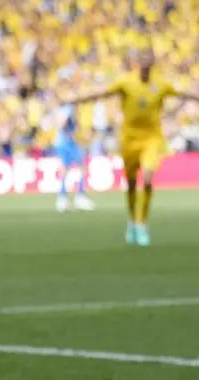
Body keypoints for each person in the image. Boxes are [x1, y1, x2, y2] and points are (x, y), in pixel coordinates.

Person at [70, 50, 199, 246]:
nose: (146, 62)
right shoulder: (126, 82)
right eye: (143, 58)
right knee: (131, 184)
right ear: (138, 62)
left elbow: (185, 93)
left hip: (152, 139)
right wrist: (75, 99)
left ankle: (142, 224)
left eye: (149, 58)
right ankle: (132, 220)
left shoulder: (161, 84)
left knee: (147, 179)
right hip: (129, 140)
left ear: (153, 62)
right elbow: (102, 93)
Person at [51, 103, 95, 213]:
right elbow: (61, 123)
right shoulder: (69, 108)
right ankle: (78, 197)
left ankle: (63, 199)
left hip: (62, 142)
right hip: (67, 143)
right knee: (79, 167)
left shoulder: (63, 108)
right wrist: (69, 133)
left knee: (66, 169)